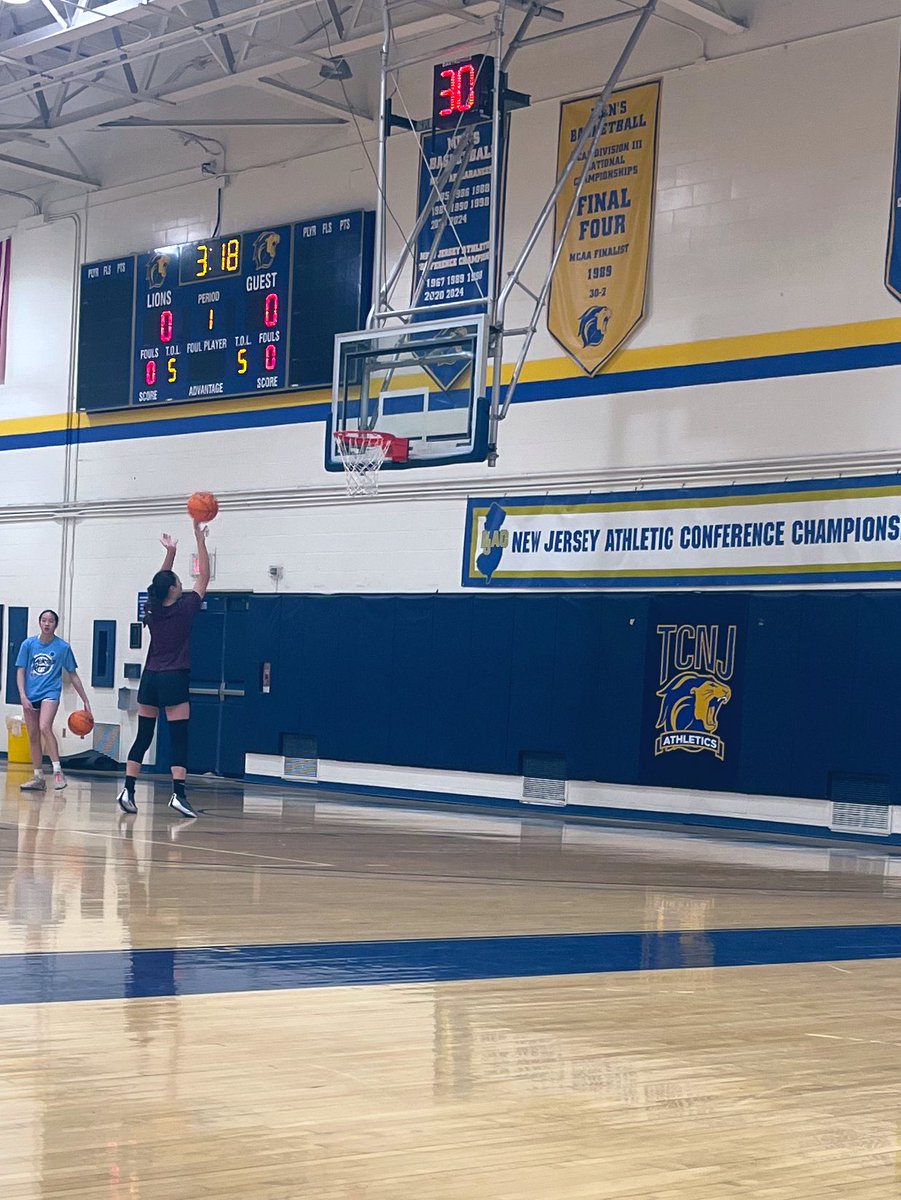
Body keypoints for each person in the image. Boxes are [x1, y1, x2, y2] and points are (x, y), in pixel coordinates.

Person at [116, 522, 210, 819]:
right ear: (173, 589)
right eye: (179, 582)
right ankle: (179, 795)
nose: (183, 584)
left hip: (151, 678)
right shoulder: (186, 607)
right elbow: (205, 575)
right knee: (179, 737)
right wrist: (199, 538)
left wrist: (170, 552)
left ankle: (128, 789)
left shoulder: (153, 607)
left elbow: (159, 582)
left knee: (144, 736)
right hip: (175, 676)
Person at [16, 609, 92, 792]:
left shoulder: (63, 647)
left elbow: (72, 674)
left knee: (44, 727)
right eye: (44, 620)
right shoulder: (28, 645)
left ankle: (58, 771)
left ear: (56, 625)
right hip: (30, 694)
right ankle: (38, 777)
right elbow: (20, 671)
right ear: (39, 623)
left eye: (51, 621)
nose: (47, 624)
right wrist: (23, 696)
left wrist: (86, 700)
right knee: (33, 735)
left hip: (50, 692)